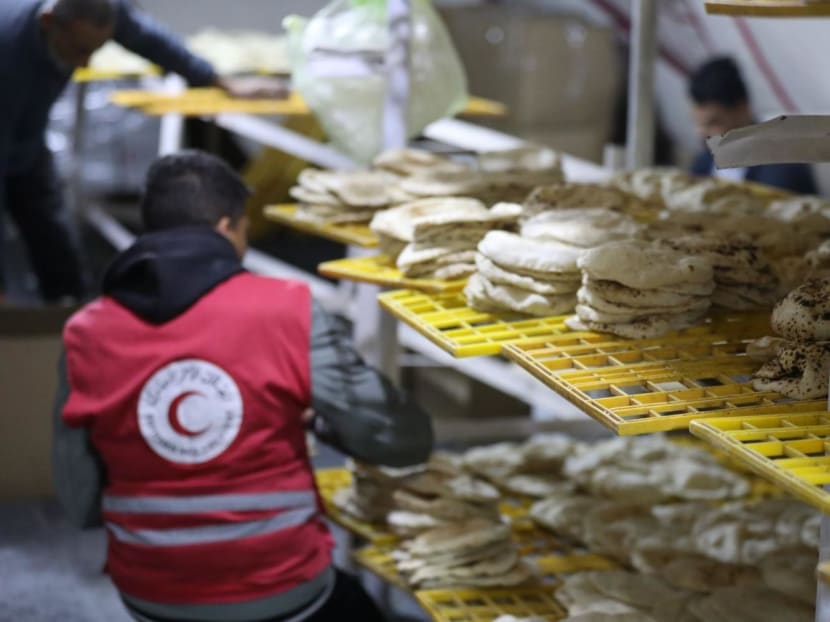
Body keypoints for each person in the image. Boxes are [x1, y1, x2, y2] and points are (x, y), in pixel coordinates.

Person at [52, 150, 435, 622]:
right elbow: (399, 440)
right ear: (226, 227)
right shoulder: (286, 309)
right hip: (281, 587)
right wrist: (320, 424)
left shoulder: (86, 331)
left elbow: (79, 500)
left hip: (149, 593)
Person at [0, 0, 278, 304]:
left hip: (26, 140)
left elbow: (154, 42)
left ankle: (66, 307)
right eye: (79, 49)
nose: (85, 63)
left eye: (95, 50)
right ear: (48, 22)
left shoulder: (98, 10)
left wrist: (219, 81)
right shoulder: (9, 46)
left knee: (51, 234)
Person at [689, 57, 817, 195]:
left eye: (713, 123)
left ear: (742, 110)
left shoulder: (781, 163)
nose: (701, 132)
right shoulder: (705, 161)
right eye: (698, 123)